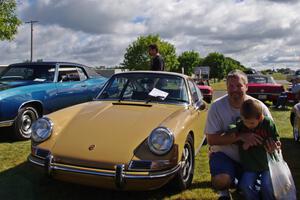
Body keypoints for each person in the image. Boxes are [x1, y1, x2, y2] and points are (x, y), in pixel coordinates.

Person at [204, 69, 279, 200]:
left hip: (253, 159)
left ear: (246, 86)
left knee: (262, 188)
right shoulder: (216, 107)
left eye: (239, 85)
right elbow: (211, 139)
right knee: (221, 180)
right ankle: (225, 190)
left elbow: (273, 135)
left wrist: (274, 145)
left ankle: (242, 183)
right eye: (231, 86)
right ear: (226, 88)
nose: (235, 89)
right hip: (225, 155)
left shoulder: (259, 107)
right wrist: (240, 137)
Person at [228, 99, 279, 200]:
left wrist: (276, 144)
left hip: (267, 164)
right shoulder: (242, 124)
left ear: (260, 118)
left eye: (251, 123)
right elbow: (232, 127)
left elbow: (276, 138)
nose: (248, 125)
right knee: (245, 185)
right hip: (250, 165)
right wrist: (238, 135)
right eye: (245, 122)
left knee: (267, 185)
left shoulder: (267, 123)